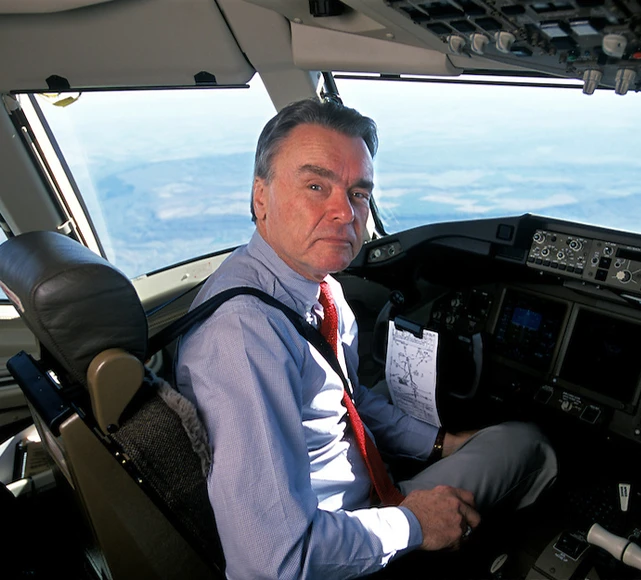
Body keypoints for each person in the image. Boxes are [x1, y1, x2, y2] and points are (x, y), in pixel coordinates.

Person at [176, 98, 557, 580]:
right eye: (316, 186)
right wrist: (414, 524)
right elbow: (275, 562)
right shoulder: (244, 336)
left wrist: (440, 444)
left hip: (365, 505)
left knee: (479, 439)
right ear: (260, 197)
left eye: (358, 193)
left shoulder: (316, 287)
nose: (345, 212)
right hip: (336, 548)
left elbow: (345, 398)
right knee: (523, 441)